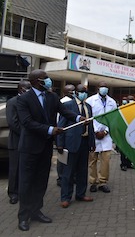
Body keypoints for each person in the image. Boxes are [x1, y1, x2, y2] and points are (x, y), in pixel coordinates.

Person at [16, 69, 86, 231]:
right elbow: (27, 122)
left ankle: (36, 211)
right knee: (27, 183)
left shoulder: (52, 97)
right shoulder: (24, 99)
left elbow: (64, 111)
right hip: (29, 148)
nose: (48, 81)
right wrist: (50, 130)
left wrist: (77, 118)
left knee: (41, 181)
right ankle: (23, 216)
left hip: (46, 147)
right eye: (45, 78)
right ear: (35, 81)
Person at [57, 84, 95, 208]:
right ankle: (65, 197)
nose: (84, 93)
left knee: (82, 171)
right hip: (71, 143)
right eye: (81, 91)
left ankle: (81, 194)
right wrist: (60, 143)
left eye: (85, 91)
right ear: (76, 93)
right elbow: (61, 126)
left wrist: (92, 142)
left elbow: (91, 125)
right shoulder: (68, 106)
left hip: (84, 142)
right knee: (68, 172)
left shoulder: (88, 106)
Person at [86, 81, 117, 193]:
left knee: (105, 161)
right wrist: (95, 131)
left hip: (106, 135)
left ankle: (102, 182)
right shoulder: (90, 100)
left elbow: (113, 119)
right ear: (97, 88)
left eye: (106, 87)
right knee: (92, 160)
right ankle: (93, 182)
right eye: (102, 87)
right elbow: (88, 118)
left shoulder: (112, 102)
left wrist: (105, 132)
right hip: (93, 135)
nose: (104, 88)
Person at [6, 80, 31, 205]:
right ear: (21, 89)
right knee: (15, 169)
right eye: (28, 88)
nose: (30, 90)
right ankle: (13, 193)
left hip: (29, 142)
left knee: (25, 169)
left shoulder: (29, 102)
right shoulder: (12, 102)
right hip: (16, 141)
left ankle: (23, 192)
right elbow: (12, 123)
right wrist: (27, 134)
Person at [56, 84, 76, 187]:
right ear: (65, 92)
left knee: (68, 158)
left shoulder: (74, 102)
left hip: (72, 134)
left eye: (74, 90)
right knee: (62, 158)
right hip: (63, 132)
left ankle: (69, 176)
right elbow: (60, 121)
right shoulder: (63, 102)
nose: (73, 92)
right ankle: (60, 177)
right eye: (71, 91)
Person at [119, 96, 134, 171]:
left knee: (130, 149)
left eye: (133, 100)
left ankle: (129, 163)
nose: (131, 101)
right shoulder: (122, 109)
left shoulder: (134, 109)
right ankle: (123, 164)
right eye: (130, 100)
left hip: (131, 133)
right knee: (123, 150)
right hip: (123, 132)